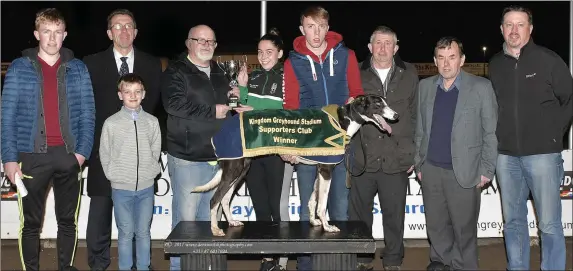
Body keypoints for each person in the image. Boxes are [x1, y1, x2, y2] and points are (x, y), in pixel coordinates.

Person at [0, 8, 95, 271]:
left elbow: (88, 114)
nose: (52, 39)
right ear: (36, 34)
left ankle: (66, 267)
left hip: (68, 157)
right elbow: (6, 117)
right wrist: (9, 159)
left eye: (57, 33)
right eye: (46, 32)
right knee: (30, 224)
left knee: (68, 222)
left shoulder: (78, 69)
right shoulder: (20, 68)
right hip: (31, 158)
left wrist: (81, 154)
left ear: (64, 35)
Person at [488, 6, 573, 271]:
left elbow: (568, 100)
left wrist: (552, 137)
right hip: (506, 156)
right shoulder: (495, 64)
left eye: (520, 24)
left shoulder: (549, 60)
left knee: (548, 224)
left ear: (530, 28)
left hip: (542, 156)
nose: (514, 31)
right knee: (513, 222)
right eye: (509, 25)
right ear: (501, 29)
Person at [161, 24, 250, 270]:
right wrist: (213, 111)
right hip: (188, 156)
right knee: (186, 223)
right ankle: (179, 267)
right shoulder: (176, 71)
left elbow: (230, 106)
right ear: (188, 43)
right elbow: (174, 105)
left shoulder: (221, 72)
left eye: (210, 41)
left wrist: (237, 95)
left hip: (218, 156)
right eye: (200, 40)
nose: (206, 45)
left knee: (209, 220)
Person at [282, 6, 364, 270]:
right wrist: (289, 144)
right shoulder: (292, 61)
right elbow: (291, 108)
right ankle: (306, 266)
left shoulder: (347, 55)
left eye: (320, 26)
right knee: (310, 211)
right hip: (308, 147)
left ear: (328, 28)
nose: (315, 33)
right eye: (309, 26)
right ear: (301, 29)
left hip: (340, 146)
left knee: (340, 209)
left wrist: (353, 103)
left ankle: (342, 265)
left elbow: (357, 94)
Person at [82, 9, 162, 271]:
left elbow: (154, 107)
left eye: (129, 26)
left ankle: (141, 265)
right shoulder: (91, 64)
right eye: (117, 26)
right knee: (100, 217)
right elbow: (85, 108)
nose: (124, 31)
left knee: (139, 226)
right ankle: (98, 265)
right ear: (109, 33)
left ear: (136, 32)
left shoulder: (152, 64)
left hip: (138, 161)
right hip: (104, 154)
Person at [414, 37, 498, 270]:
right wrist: (419, 165)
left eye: (452, 57)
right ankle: (439, 262)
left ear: (461, 60)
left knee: (464, 230)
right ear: (434, 61)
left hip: (465, 172)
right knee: (436, 226)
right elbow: (420, 129)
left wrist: (486, 170)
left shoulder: (481, 87)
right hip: (431, 170)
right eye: (441, 58)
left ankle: (463, 266)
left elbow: (490, 133)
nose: (446, 64)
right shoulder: (425, 87)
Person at [349, 26, 419, 271]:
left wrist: (413, 152)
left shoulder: (409, 74)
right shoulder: (355, 73)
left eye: (388, 43)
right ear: (369, 47)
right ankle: (362, 259)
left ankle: (392, 261)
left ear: (396, 47)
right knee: (359, 217)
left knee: (394, 217)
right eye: (378, 43)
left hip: (396, 158)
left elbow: (415, 116)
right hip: (362, 159)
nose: (382, 48)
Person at [236, 28, 289, 271]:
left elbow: (285, 112)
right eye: (260, 52)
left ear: (280, 53)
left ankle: (282, 258)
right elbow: (243, 111)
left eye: (269, 52)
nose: (264, 56)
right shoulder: (253, 76)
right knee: (260, 206)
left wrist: (253, 107)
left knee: (277, 207)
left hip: (277, 150)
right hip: (254, 150)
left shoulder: (289, 76)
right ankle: (267, 257)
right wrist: (242, 89)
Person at [99, 73, 161, 271]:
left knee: (143, 232)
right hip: (121, 189)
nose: (132, 96)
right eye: (127, 92)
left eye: (137, 92)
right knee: (125, 233)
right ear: (120, 95)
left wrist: (150, 170)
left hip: (146, 188)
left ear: (143, 94)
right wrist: (113, 174)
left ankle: (144, 267)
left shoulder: (152, 122)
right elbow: (105, 152)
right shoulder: (111, 123)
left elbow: (155, 149)